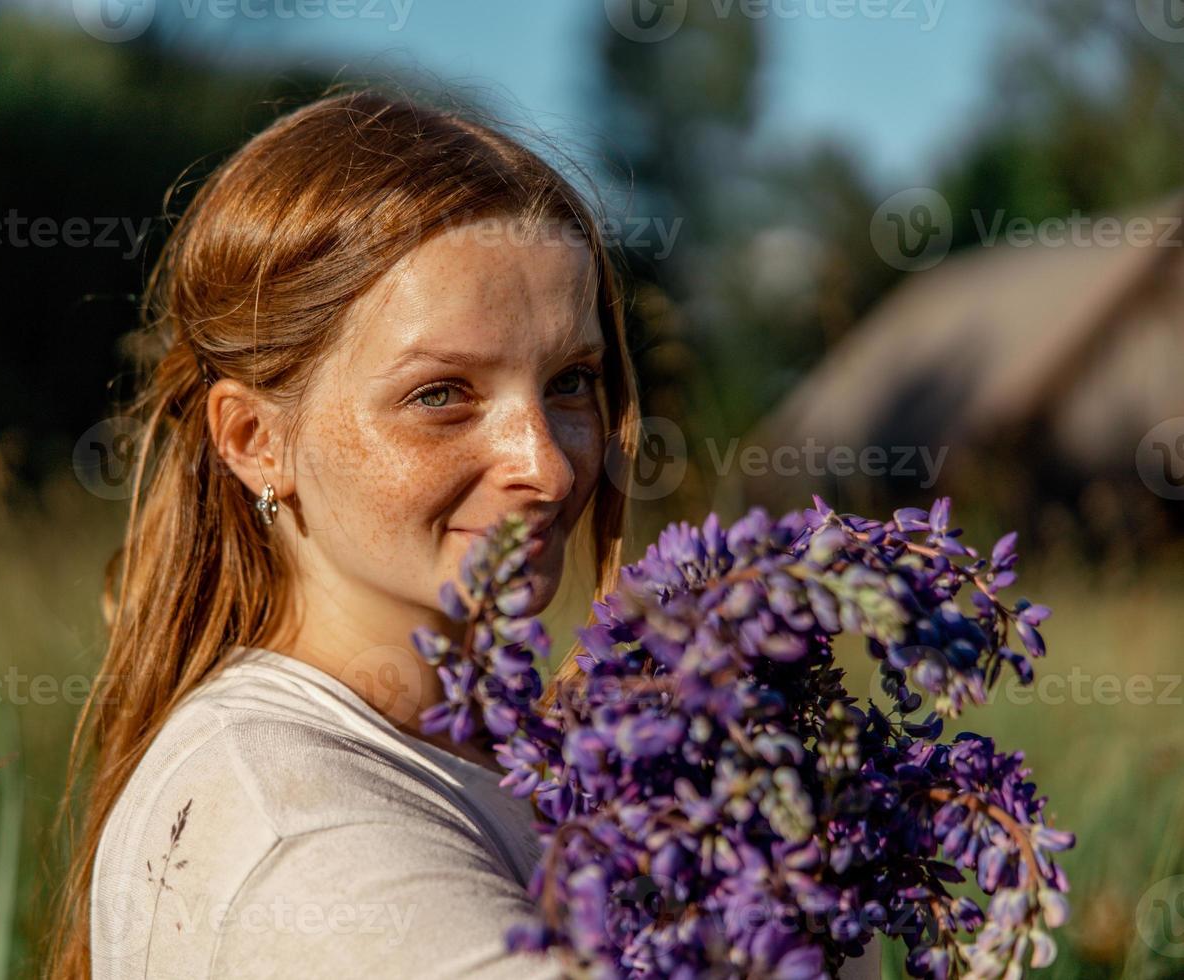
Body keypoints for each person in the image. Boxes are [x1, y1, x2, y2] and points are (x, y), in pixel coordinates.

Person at [48, 87, 883, 979]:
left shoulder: (501, 754)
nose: (550, 468)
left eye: (570, 382)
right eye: (440, 395)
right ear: (257, 442)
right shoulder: (300, 831)